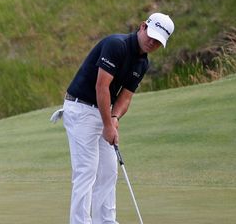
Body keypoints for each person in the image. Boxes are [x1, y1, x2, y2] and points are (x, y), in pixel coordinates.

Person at [60, 13, 174, 224]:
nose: (152, 42)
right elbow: (101, 86)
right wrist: (107, 124)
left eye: (158, 41)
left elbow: (125, 96)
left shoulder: (142, 63)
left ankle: (106, 221)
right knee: (87, 170)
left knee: (109, 171)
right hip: (81, 108)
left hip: (101, 111)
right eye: (151, 35)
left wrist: (114, 118)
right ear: (142, 27)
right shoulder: (116, 44)